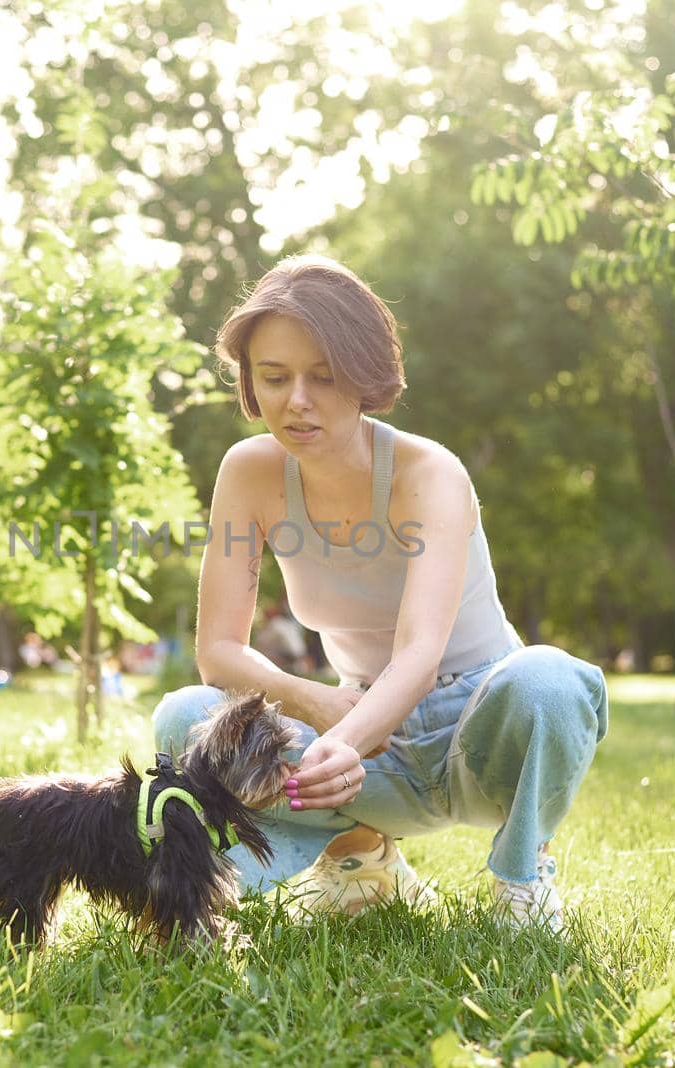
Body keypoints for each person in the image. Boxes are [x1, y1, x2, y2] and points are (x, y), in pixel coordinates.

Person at [152, 255, 609, 930]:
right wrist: (324, 712)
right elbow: (218, 651)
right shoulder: (248, 472)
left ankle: (521, 878)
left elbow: (421, 653)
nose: (295, 401)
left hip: (475, 732)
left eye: (323, 378)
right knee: (184, 717)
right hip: (360, 732)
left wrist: (350, 734)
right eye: (273, 378)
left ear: (364, 377)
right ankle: (360, 857)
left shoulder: (429, 473)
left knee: (551, 681)